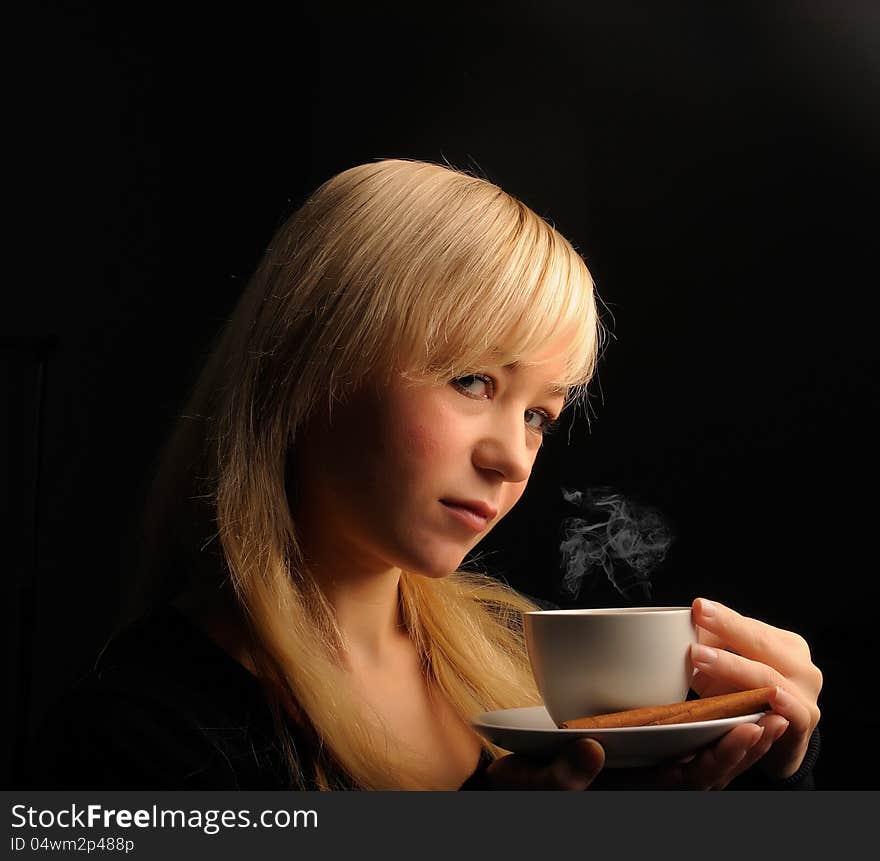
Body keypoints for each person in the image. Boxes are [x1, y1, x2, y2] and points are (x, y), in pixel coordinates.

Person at [27, 158, 822, 790]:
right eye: (473, 380)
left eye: (538, 415)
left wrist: (765, 772)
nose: (512, 459)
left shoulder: (525, 664)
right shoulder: (141, 737)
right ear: (313, 361)